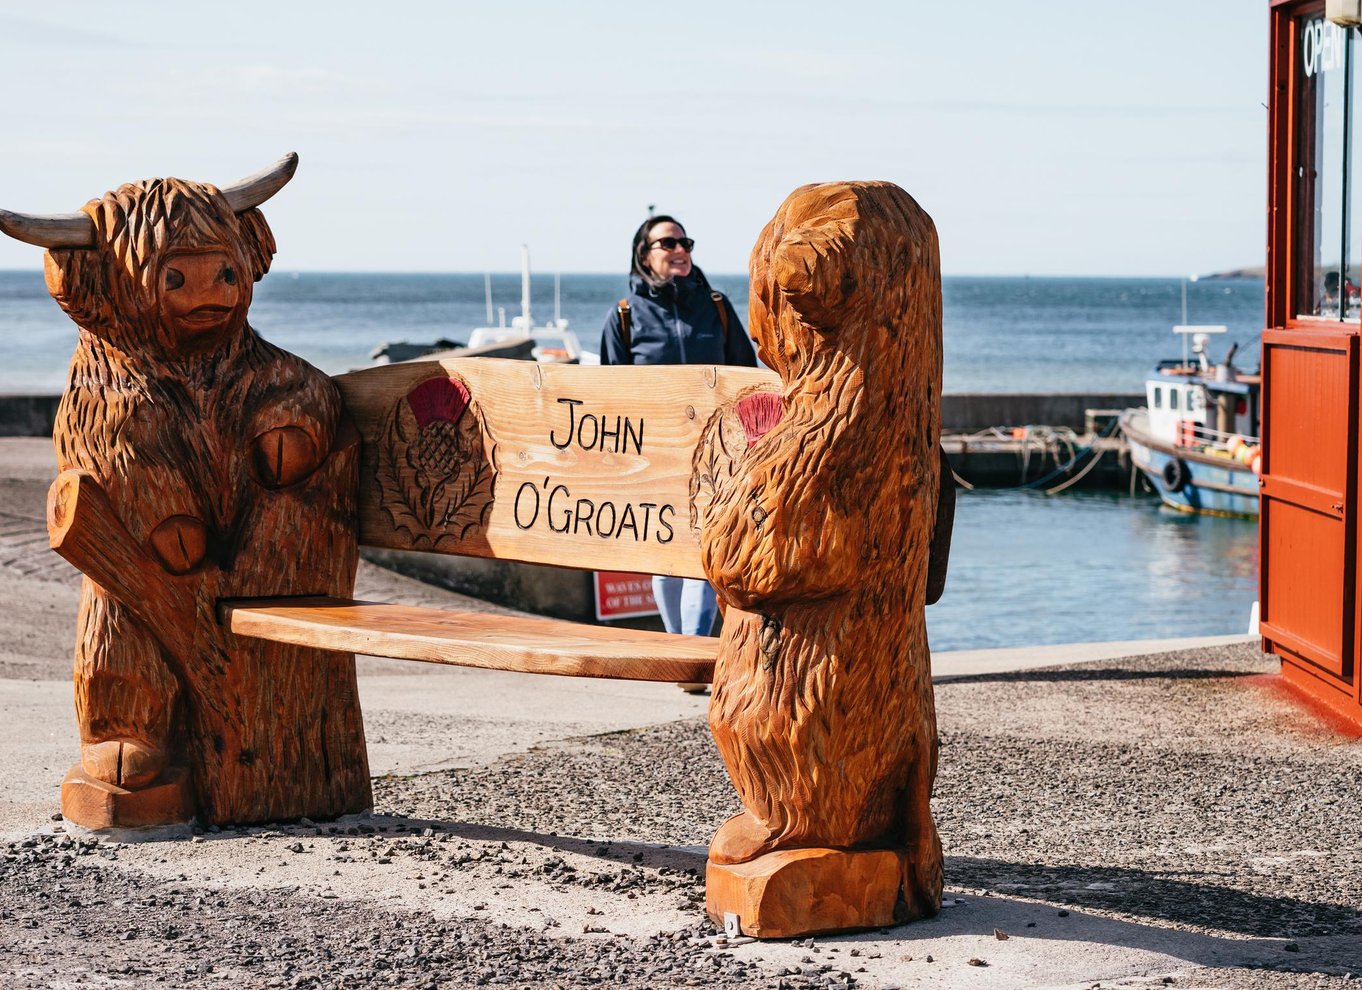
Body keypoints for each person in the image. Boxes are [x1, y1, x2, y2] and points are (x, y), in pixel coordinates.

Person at [600, 215, 758, 691]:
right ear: (644, 253)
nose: (679, 248)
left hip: (717, 456)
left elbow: (747, 377)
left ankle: (693, 660)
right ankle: (682, 657)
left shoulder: (716, 306)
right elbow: (607, 393)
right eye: (667, 242)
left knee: (703, 559)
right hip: (653, 458)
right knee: (664, 558)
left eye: (684, 241)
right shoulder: (625, 315)